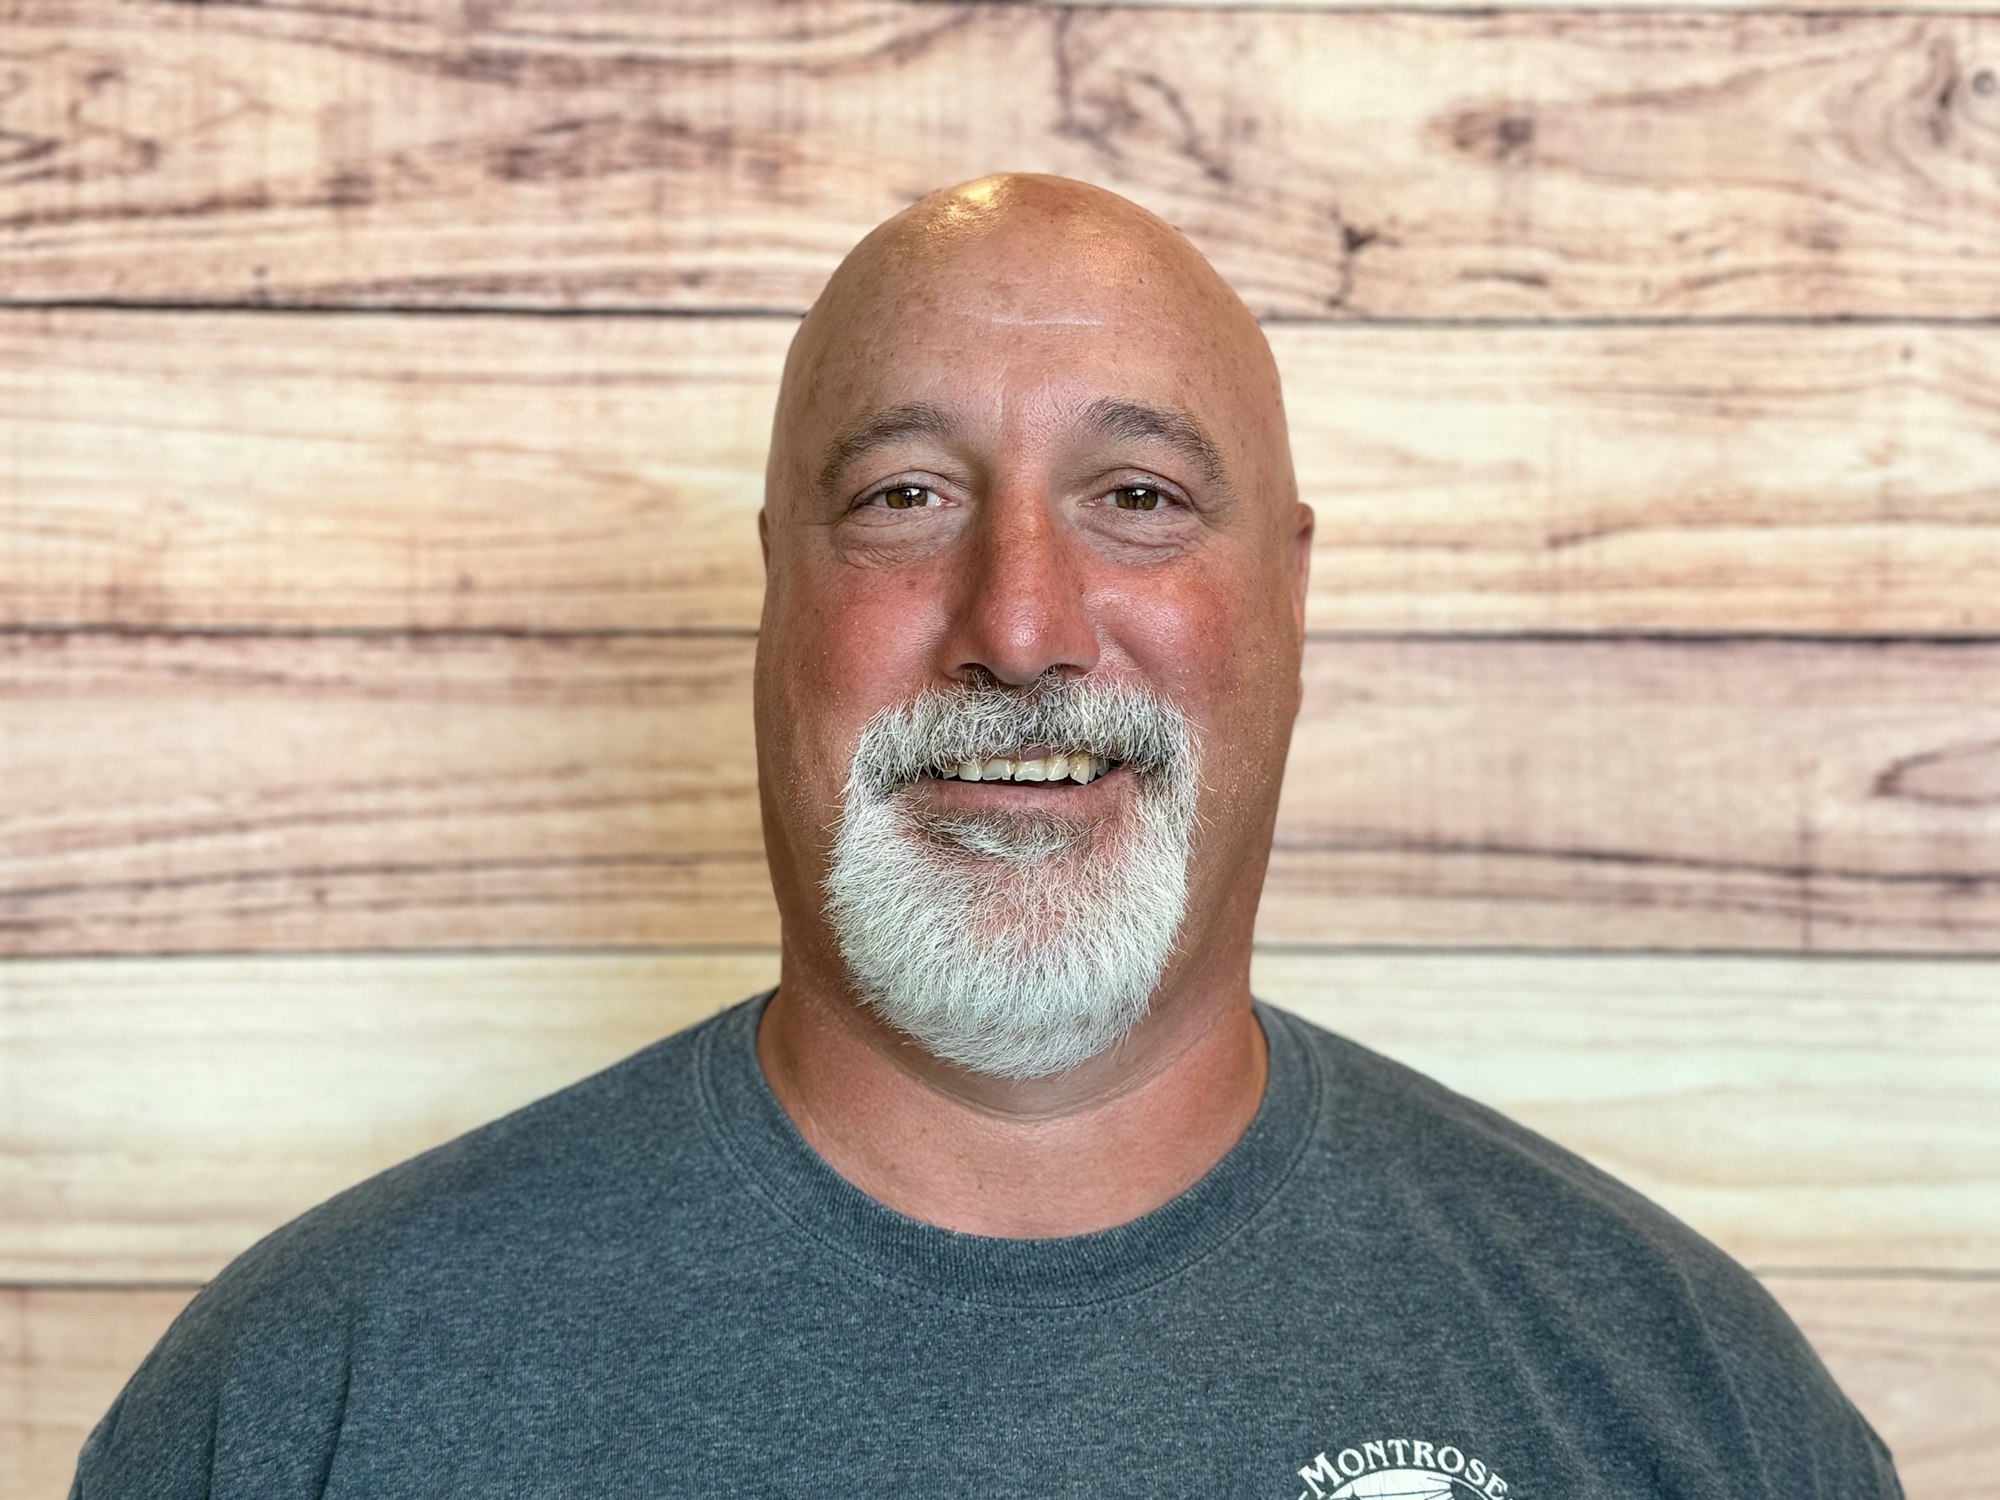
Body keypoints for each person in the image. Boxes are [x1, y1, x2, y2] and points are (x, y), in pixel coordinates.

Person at [72, 174, 1901, 1499]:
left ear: (1289, 596)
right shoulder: (313, 1395)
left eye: (1139, 497)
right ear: (775, 590)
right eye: (903, 498)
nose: (1019, 624)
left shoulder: (1683, 1398)